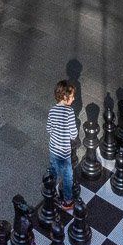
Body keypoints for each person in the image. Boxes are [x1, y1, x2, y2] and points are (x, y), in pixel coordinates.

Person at [46, 79, 79, 211]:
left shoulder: (52, 111)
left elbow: (48, 129)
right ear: (65, 97)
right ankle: (68, 201)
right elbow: (73, 133)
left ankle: (50, 191)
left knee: (53, 170)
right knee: (67, 176)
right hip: (64, 152)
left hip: (53, 148)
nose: (74, 98)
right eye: (72, 96)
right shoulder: (69, 112)